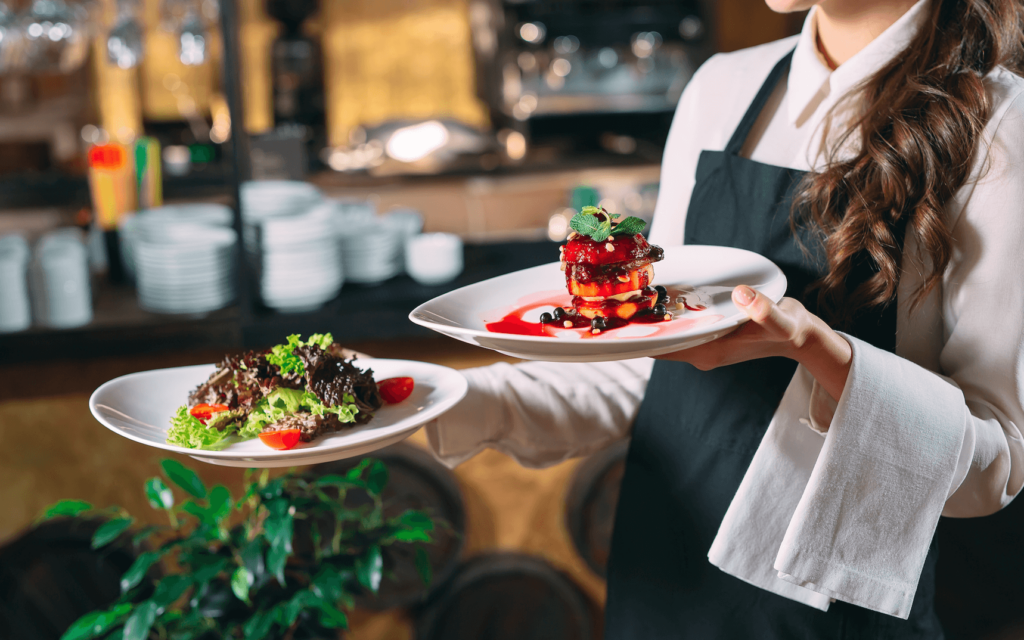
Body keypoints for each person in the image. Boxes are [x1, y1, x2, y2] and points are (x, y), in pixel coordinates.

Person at [426, 0, 1024, 637]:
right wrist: (436, 400)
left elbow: (995, 469)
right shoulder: (722, 88)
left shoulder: (1000, 125)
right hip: (664, 578)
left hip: (830, 608)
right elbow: (646, 371)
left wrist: (822, 355)